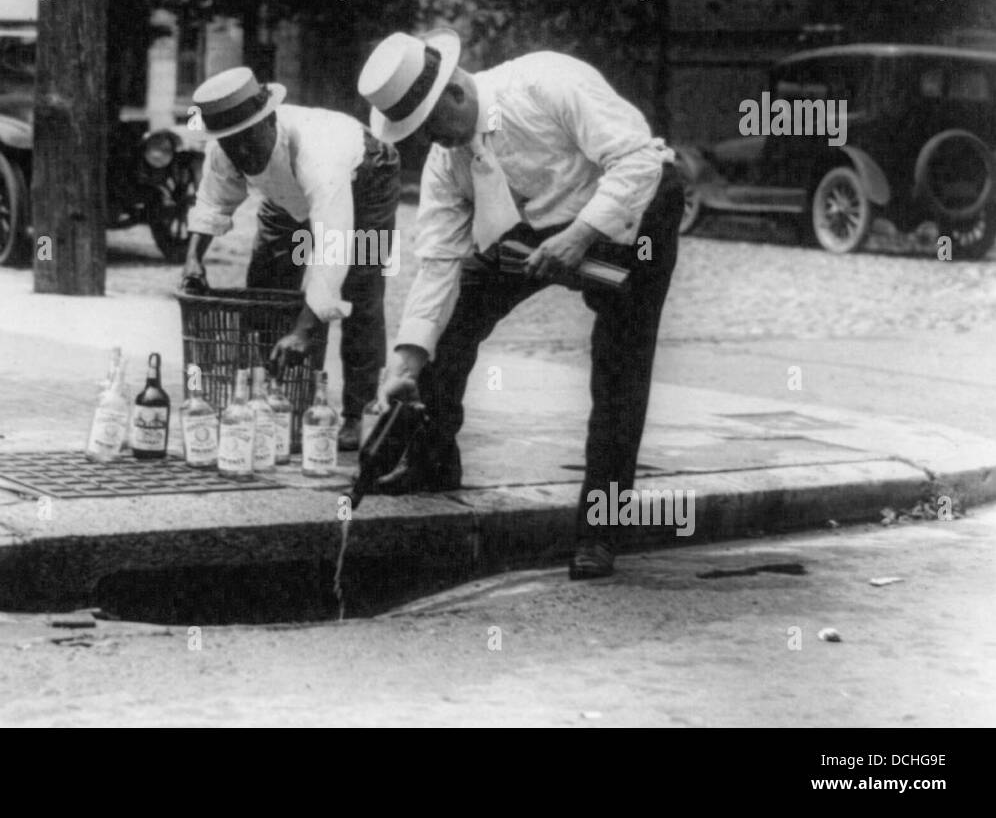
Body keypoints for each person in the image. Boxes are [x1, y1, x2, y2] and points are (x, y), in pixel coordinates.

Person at [357, 29, 682, 579]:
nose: (436, 144)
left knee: (619, 374)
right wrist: (405, 361)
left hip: (634, 212)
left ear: (456, 93)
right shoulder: (447, 157)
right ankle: (433, 461)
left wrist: (580, 236)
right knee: (453, 323)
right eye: (420, 136)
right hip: (530, 230)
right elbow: (437, 262)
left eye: (434, 127)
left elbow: (638, 160)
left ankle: (599, 532)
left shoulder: (546, 82)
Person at [180, 66, 400, 450]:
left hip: (365, 176)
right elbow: (213, 201)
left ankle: (357, 415)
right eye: (233, 145)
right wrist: (193, 259)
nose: (243, 153)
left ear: (269, 122)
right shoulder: (226, 148)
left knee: (360, 292)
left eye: (249, 141)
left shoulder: (319, 153)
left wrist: (303, 331)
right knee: (265, 288)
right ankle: (268, 397)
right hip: (283, 200)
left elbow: (333, 247)